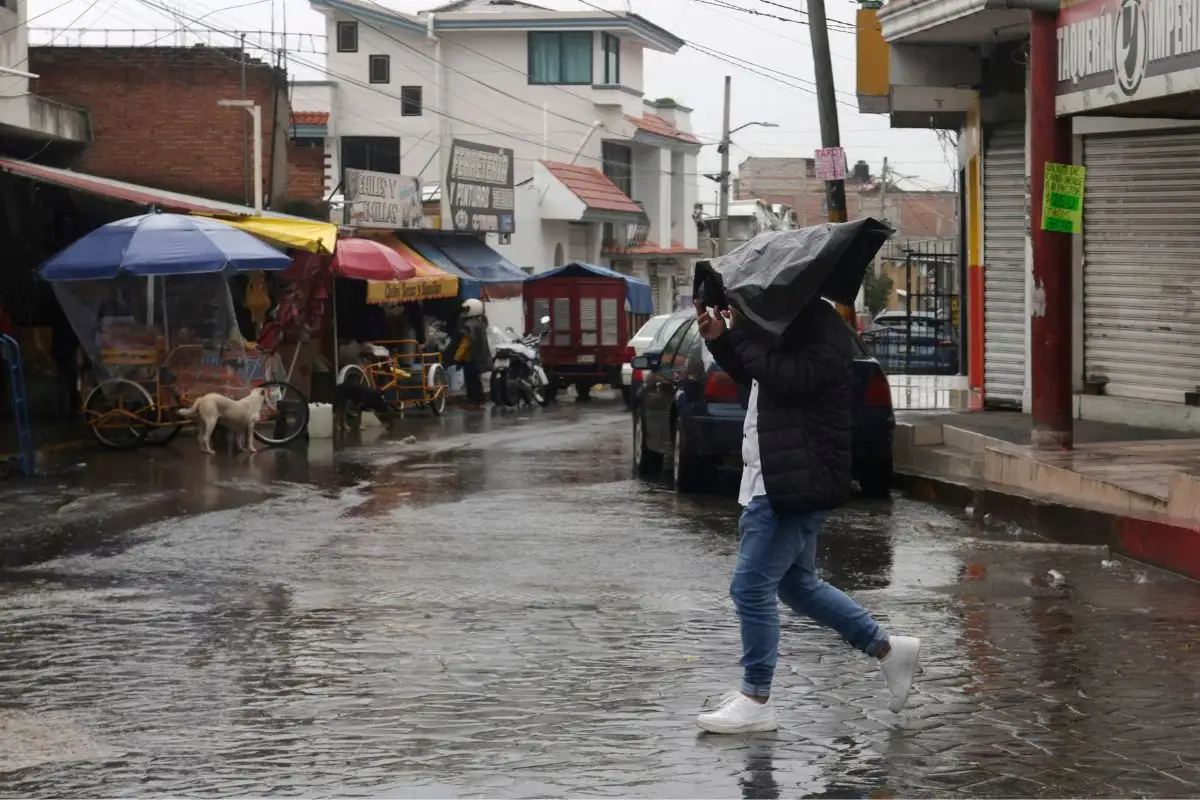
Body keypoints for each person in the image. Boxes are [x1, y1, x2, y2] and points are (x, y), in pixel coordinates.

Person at [694, 297, 921, 735]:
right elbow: (758, 379)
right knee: (795, 585)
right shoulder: (788, 322)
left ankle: (756, 697)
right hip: (778, 474)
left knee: (750, 587)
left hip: (790, 482)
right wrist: (724, 341)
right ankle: (889, 650)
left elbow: (786, 377)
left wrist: (741, 331)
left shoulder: (819, 327)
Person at [455, 299, 490, 409]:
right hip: (479, 357)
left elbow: (465, 343)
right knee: (476, 380)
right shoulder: (480, 323)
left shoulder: (468, 325)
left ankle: (472, 402)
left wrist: (457, 356)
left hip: (470, 358)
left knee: (470, 381)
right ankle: (480, 400)